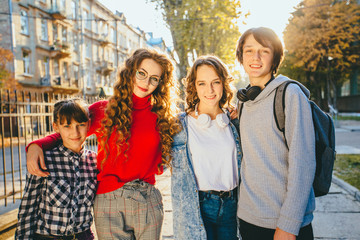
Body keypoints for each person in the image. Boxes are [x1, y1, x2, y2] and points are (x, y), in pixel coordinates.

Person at [25, 48, 179, 240]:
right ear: (131, 72)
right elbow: (69, 131)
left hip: (146, 199)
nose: (146, 83)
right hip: (109, 201)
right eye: (142, 73)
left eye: (154, 78)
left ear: (160, 83)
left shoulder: (164, 118)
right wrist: (36, 145)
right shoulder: (104, 110)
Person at [235, 27, 316, 240]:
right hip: (248, 218)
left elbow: (303, 163)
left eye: (265, 51)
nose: (256, 57)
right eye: (249, 50)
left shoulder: (290, 94)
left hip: (284, 224)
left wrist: (288, 225)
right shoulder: (243, 101)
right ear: (241, 56)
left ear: (275, 57)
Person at [171, 55, 242, 240]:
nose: (209, 90)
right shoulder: (180, 125)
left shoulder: (234, 122)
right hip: (198, 208)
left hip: (233, 207)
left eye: (215, 82)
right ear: (194, 86)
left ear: (223, 84)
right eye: (202, 83)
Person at [16, 99, 97, 240]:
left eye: (81, 125)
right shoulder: (44, 160)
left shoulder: (95, 161)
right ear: (56, 127)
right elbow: (28, 208)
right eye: (67, 126)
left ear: (89, 124)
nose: (75, 132)